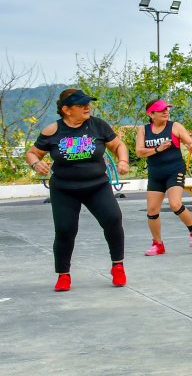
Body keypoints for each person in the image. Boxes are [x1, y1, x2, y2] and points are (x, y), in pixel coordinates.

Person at [25, 89, 131, 291]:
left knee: (113, 218)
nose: (87, 107)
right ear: (66, 110)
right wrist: (36, 163)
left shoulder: (98, 125)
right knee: (65, 229)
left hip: (97, 186)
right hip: (64, 189)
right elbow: (32, 153)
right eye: (81, 105)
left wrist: (123, 161)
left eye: (87, 104)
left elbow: (118, 145)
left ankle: (118, 266)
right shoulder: (52, 130)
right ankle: (63, 275)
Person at [135, 99, 192, 255]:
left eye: (166, 109)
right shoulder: (143, 130)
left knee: (175, 204)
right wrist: (157, 149)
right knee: (152, 210)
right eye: (161, 110)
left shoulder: (175, 126)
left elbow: (191, 143)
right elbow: (139, 152)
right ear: (151, 114)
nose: (165, 112)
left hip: (174, 170)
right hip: (155, 173)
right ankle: (158, 244)